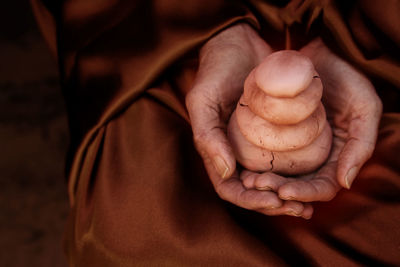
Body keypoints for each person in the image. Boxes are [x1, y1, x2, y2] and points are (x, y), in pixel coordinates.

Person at [31, 0, 400, 265]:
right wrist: (215, 30)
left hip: (377, 34)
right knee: (141, 228)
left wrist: (359, 45)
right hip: (186, 18)